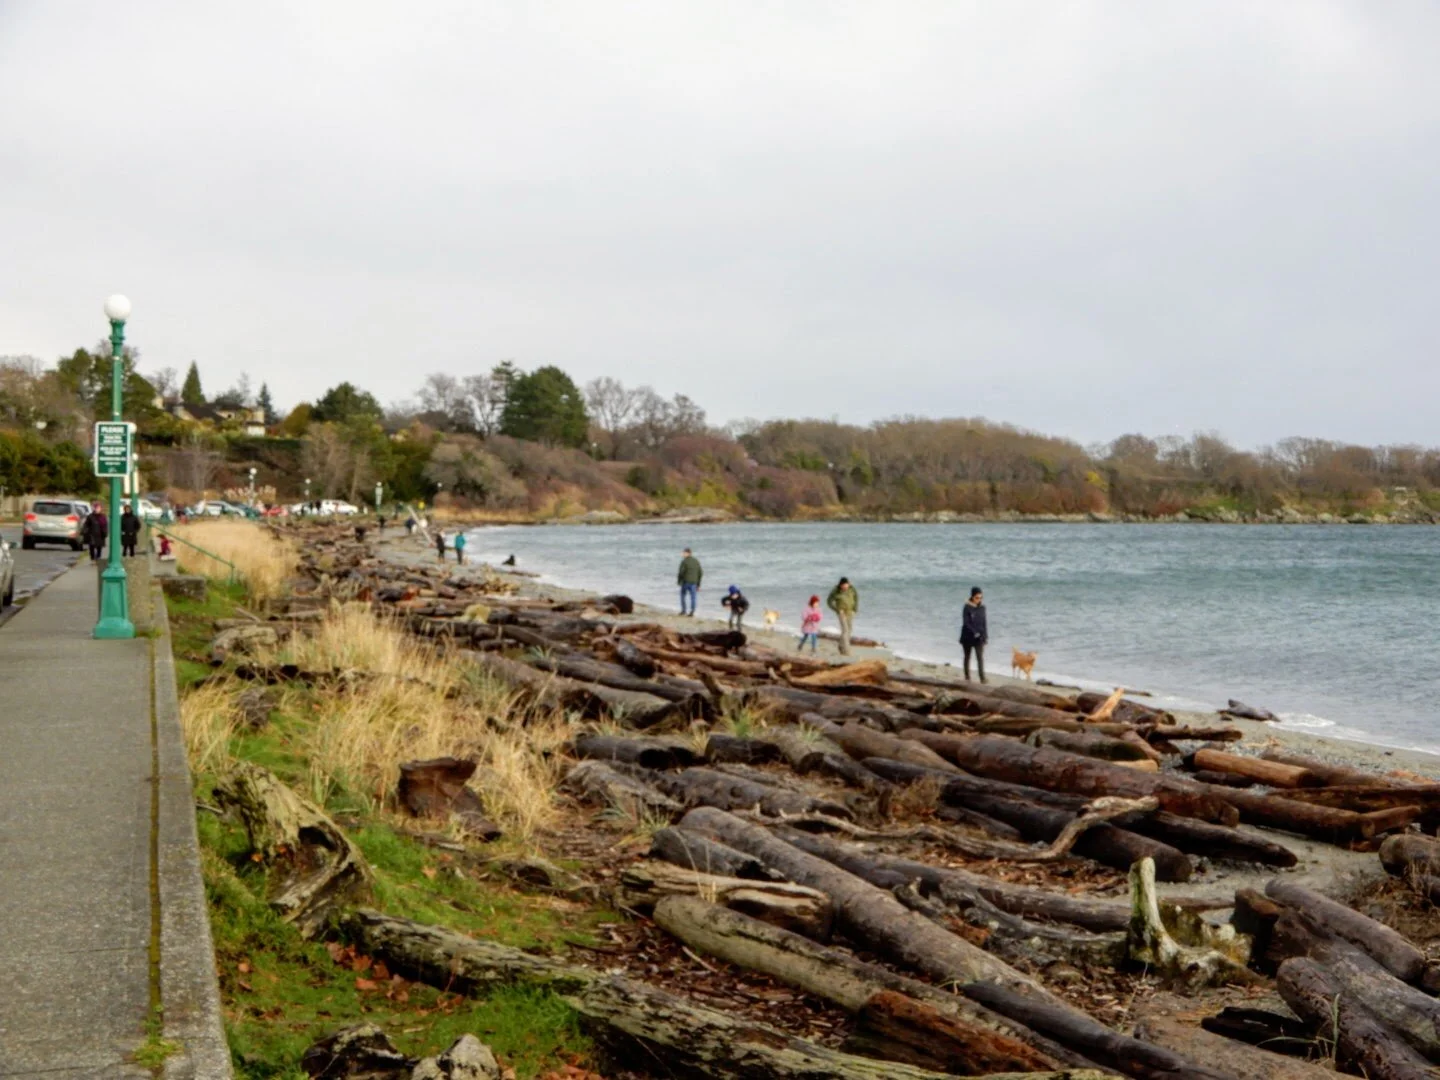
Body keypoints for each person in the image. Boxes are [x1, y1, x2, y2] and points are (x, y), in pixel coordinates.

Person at [960, 586, 988, 683]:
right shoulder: (966, 607)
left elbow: (984, 622)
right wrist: (974, 632)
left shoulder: (982, 608)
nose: (979, 600)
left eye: (980, 597)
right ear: (972, 597)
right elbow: (966, 623)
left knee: (980, 658)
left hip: (979, 638)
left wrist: (985, 636)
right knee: (967, 657)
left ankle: (982, 678)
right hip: (967, 636)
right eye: (977, 597)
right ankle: (967, 677)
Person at [826, 577, 859, 656]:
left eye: (846, 585)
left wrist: (855, 609)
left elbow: (856, 598)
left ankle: (841, 645)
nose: (845, 587)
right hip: (842, 613)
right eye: (843, 585)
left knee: (850, 630)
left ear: (848, 584)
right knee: (845, 631)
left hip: (850, 612)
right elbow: (829, 601)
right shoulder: (836, 591)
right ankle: (846, 650)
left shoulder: (852, 589)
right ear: (840, 585)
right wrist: (837, 610)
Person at [677, 547, 702, 616]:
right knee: (693, 597)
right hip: (694, 583)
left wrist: (679, 581)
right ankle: (692, 611)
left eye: (684, 553)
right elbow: (700, 572)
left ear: (688, 553)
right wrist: (698, 584)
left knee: (682, 596)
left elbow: (681, 572)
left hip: (685, 582)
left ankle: (684, 610)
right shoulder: (696, 561)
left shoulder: (684, 561)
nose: (683, 554)